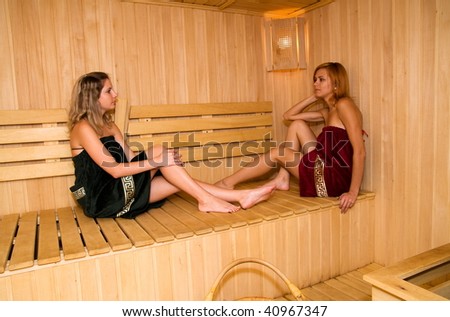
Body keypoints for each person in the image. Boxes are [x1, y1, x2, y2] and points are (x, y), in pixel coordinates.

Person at [68, 71, 274, 218]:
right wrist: (158, 161)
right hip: (101, 197)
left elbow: (130, 158)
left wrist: (160, 159)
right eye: (109, 91)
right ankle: (210, 200)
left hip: (120, 187)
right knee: (160, 157)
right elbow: (115, 171)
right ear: (93, 98)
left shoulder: (109, 125)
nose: (115, 95)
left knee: (172, 174)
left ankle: (241, 195)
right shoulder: (83, 128)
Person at [215, 62, 366, 214]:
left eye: (321, 79)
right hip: (324, 164)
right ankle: (282, 178)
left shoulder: (345, 105)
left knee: (277, 153)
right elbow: (288, 116)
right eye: (315, 80)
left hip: (334, 178)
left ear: (336, 83)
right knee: (297, 124)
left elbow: (359, 151)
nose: (316, 83)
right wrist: (314, 96)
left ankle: (227, 183)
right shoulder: (327, 111)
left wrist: (353, 192)